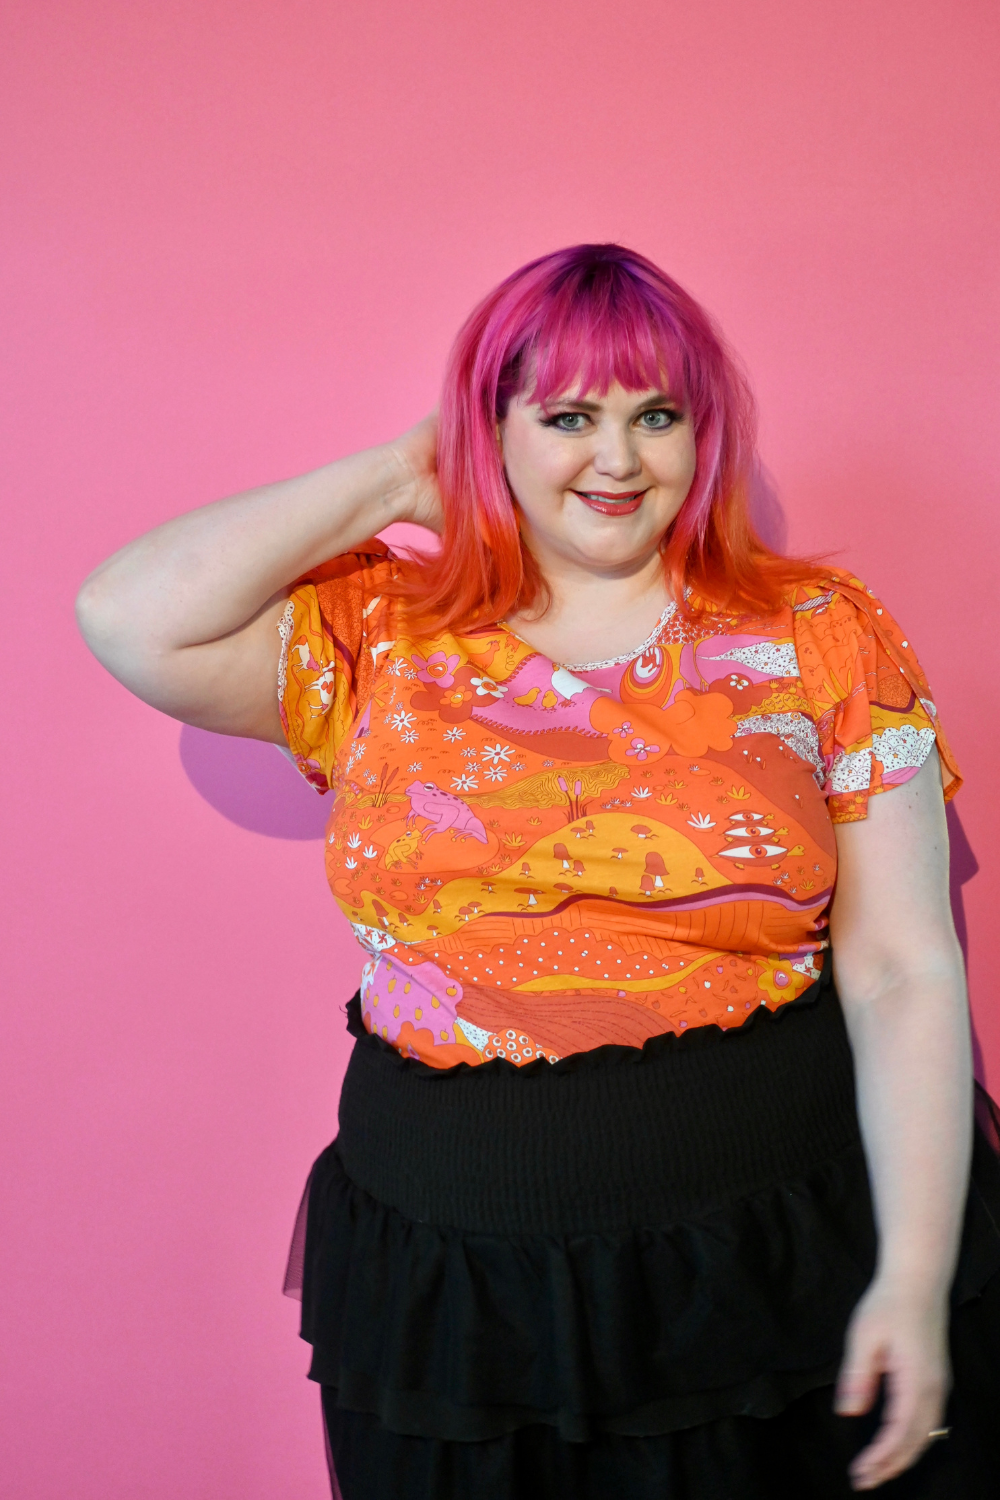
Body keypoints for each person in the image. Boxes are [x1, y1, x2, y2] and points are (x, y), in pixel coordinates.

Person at [76, 244, 1000, 1499]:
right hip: (454, 1287)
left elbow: (897, 970)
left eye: (656, 416)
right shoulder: (379, 632)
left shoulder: (815, 630)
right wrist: (407, 471)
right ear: (488, 428)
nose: (617, 461)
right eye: (566, 416)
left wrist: (912, 1274)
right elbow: (130, 614)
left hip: (771, 1248)